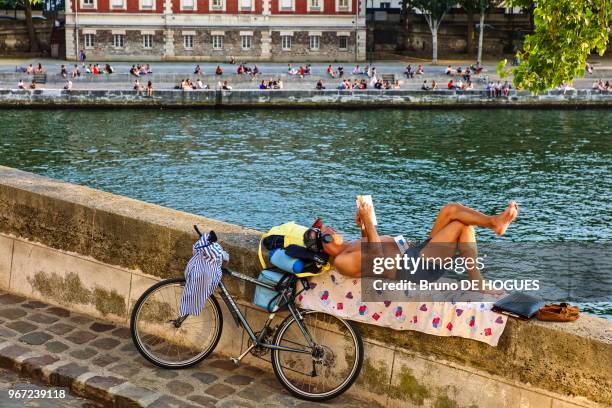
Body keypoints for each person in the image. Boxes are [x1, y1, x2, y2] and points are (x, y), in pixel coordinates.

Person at [315, 200, 519, 291]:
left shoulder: (349, 244)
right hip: (412, 270)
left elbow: (370, 245)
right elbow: (375, 259)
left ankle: (494, 222)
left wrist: (363, 226)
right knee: (460, 226)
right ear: (324, 244)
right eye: (328, 232)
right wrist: (369, 222)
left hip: (414, 253)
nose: (333, 230)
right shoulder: (342, 261)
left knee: (450, 210)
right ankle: (477, 281)